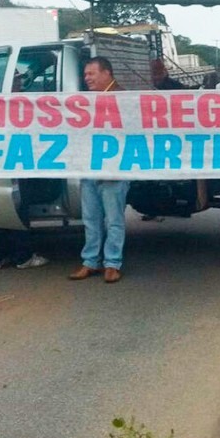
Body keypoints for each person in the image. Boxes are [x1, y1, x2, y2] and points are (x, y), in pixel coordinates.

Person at [70, 57, 130, 284]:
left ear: (107, 73)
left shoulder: (124, 98)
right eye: (85, 75)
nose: (87, 79)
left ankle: (112, 264)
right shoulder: (86, 101)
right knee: (91, 219)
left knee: (114, 220)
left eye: (91, 74)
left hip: (114, 169)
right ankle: (90, 262)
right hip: (90, 167)